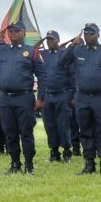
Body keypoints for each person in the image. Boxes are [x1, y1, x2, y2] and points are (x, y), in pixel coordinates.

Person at [0, 23, 44, 174]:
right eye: (10, 31)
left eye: (17, 31)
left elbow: (42, 76)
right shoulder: (0, 50)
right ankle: (15, 164)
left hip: (24, 97)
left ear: (24, 33)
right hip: (5, 98)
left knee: (26, 132)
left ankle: (29, 165)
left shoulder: (31, 52)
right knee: (10, 132)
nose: (13, 33)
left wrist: (40, 98)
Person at [59, 23, 101, 175]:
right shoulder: (77, 50)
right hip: (82, 96)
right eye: (86, 33)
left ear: (98, 35)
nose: (88, 36)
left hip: (100, 96)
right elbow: (61, 62)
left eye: (92, 33)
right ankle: (89, 163)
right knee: (85, 129)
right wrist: (71, 45)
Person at [36, 30, 73, 163]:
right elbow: (33, 49)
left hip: (62, 94)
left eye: (52, 39)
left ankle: (67, 151)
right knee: (49, 125)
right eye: (48, 40)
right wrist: (40, 41)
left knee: (63, 125)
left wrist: (72, 95)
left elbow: (72, 75)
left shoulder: (64, 54)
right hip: (47, 95)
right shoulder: (43, 54)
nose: (49, 42)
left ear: (58, 40)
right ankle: (54, 152)